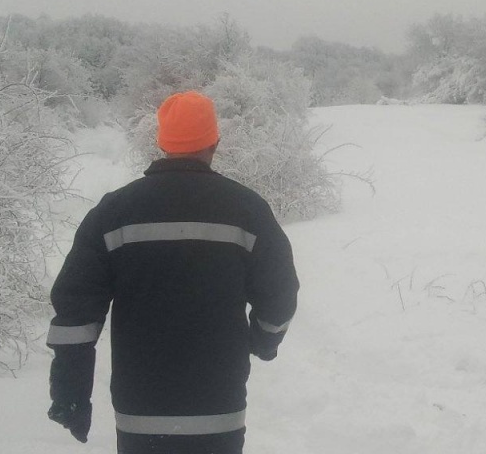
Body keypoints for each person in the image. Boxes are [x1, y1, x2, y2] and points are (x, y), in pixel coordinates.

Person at [46, 91, 299, 454]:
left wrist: (71, 391)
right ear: (215, 141)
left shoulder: (115, 212)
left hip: (140, 414)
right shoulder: (247, 209)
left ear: (162, 142)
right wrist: (263, 341)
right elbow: (279, 295)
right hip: (219, 409)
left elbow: (75, 308)